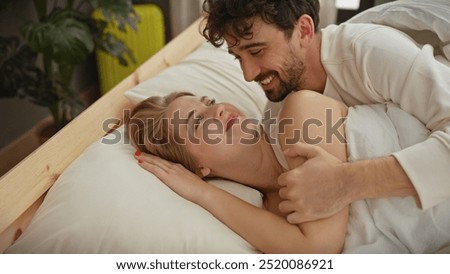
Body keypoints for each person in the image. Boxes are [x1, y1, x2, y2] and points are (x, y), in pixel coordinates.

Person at [200, 0, 450, 224]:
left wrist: (346, 182)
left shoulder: (369, 51)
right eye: (238, 58)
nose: (248, 74)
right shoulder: (278, 110)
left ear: (304, 31)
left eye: (257, 52)